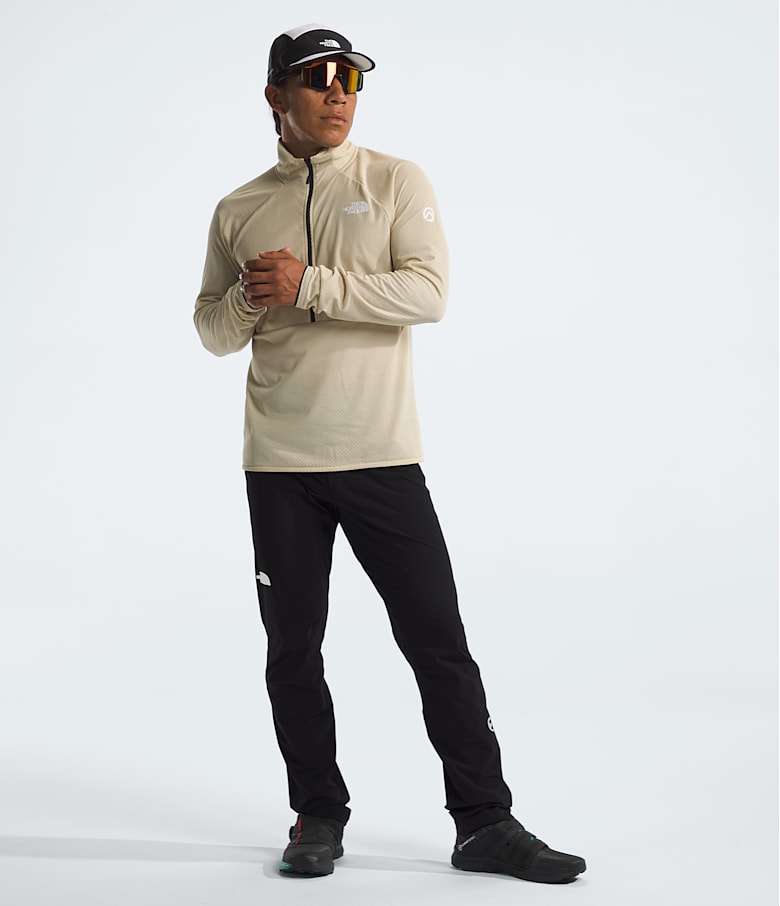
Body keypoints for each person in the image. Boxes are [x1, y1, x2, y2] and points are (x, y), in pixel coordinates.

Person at [194, 22, 586, 884]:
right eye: (317, 77)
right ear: (276, 96)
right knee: (293, 651)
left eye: (350, 78)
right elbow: (212, 330)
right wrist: (258, 298)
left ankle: (484, 823)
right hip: (280, 464)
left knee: (437, 641)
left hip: (380, 455)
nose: (338, 92)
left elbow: (428, 293)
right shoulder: (237, 208)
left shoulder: (395, 180)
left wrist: (310, 284)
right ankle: (317, 815)